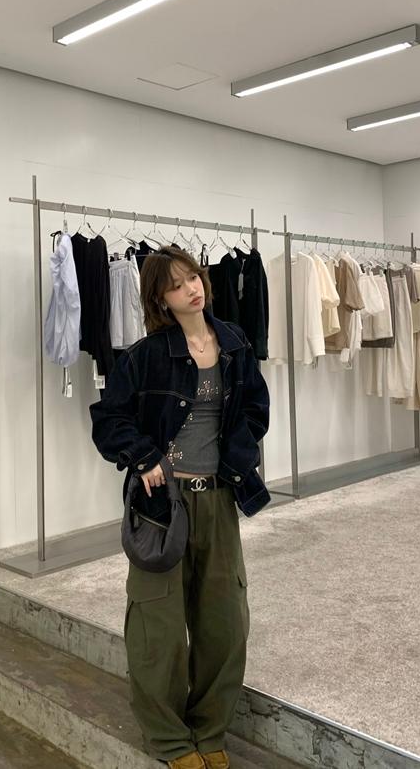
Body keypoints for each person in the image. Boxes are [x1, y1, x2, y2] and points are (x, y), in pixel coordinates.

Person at [89, 245, 271, 769]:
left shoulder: (234, 343)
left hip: (217, 499)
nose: (191, 288)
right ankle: (170, 739)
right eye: (175, 284)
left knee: (224, 620)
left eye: (192, 276)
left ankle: (210, 730)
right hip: (162, 506)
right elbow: (108, 419)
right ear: (160, 299)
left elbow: (254, 411)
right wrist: (144, 455)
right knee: (158, 626)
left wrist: (238, 460)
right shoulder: (145, 355)